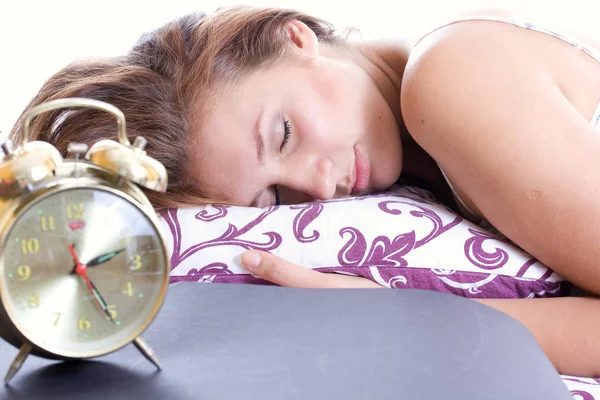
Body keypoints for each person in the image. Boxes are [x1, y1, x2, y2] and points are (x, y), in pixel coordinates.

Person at [9, 5, 600, 377]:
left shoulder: (450, 77)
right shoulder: (421, 160)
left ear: (296, 38)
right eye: (277, 200)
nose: (319, 186)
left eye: (284, 134)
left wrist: (402, 315)